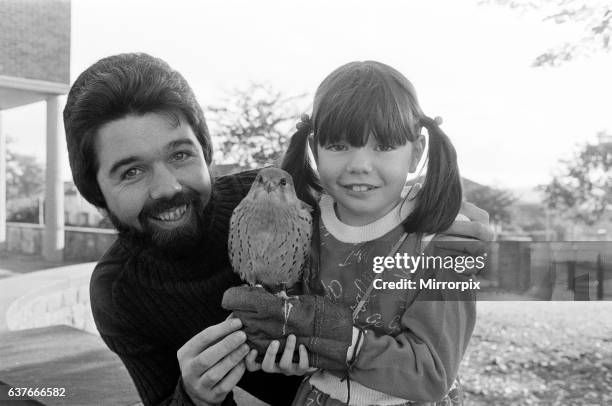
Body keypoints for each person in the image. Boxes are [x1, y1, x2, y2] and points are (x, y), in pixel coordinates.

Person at [64, 53, 490, 405]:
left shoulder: (285, 194)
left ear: (205, 152)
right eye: (131, 171)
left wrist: (435, 217)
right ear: (94, 190)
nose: (168, 187)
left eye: (179, 155)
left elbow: (370, 184)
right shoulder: (119, 294)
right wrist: (193, 396)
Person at [223, 61, 480, 405]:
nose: (359, 164)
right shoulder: (306, 223)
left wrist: (335, 339)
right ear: (314, 150)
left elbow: (432, 372)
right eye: (340, 146)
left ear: (416, 152)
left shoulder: (450, 243)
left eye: (383, 146)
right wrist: (285, 346)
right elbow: (297, 323)